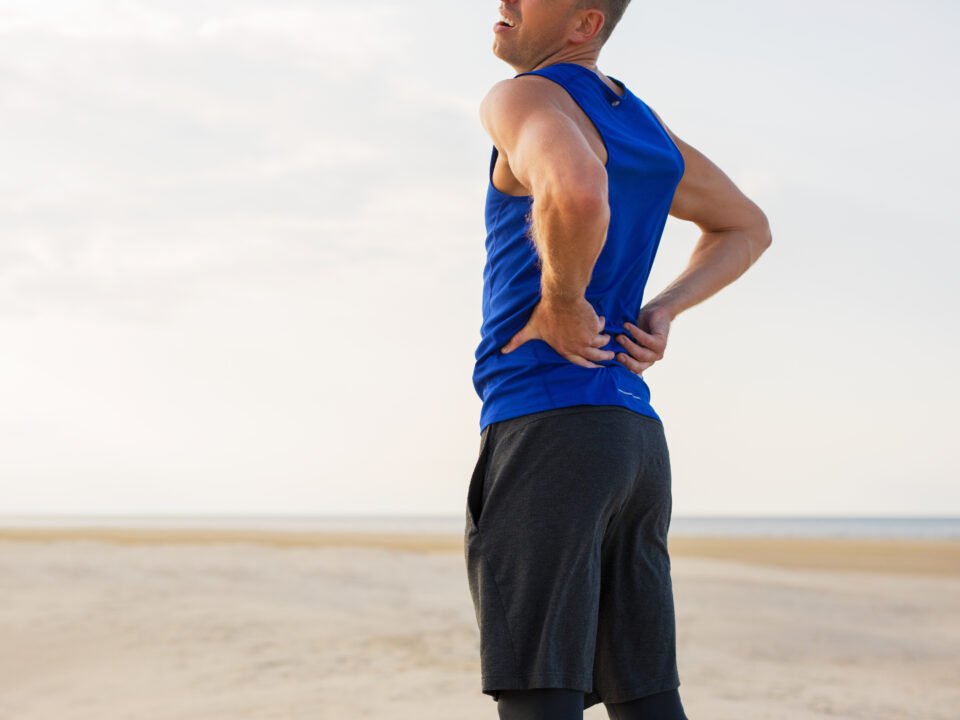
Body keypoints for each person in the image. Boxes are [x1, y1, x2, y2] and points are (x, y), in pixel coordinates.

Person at [464, 1, 773, 718]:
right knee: (646, 700)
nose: (502, 3)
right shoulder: (643, 127)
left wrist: (563, 301)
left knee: (539, 694)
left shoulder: (523, 96)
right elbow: (746, 227)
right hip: (631, 442)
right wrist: (662, 311)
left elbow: (575, 191)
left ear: (584, 25)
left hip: (547, 424)